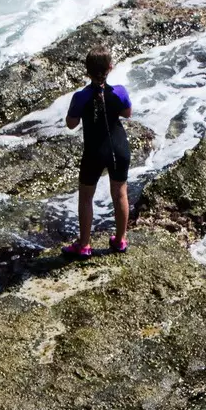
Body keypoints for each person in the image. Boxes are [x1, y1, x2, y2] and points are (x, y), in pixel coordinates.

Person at [63, 50, 133, 257]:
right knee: (120, 193)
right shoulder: (119, 92)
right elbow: (127, 113)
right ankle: (120, 241)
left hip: (94, 151)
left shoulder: (81, 96)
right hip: (119, 149)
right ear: (110, 68)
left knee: (86, 197)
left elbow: (71, 124)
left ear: (87, 71)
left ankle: (84, 244)